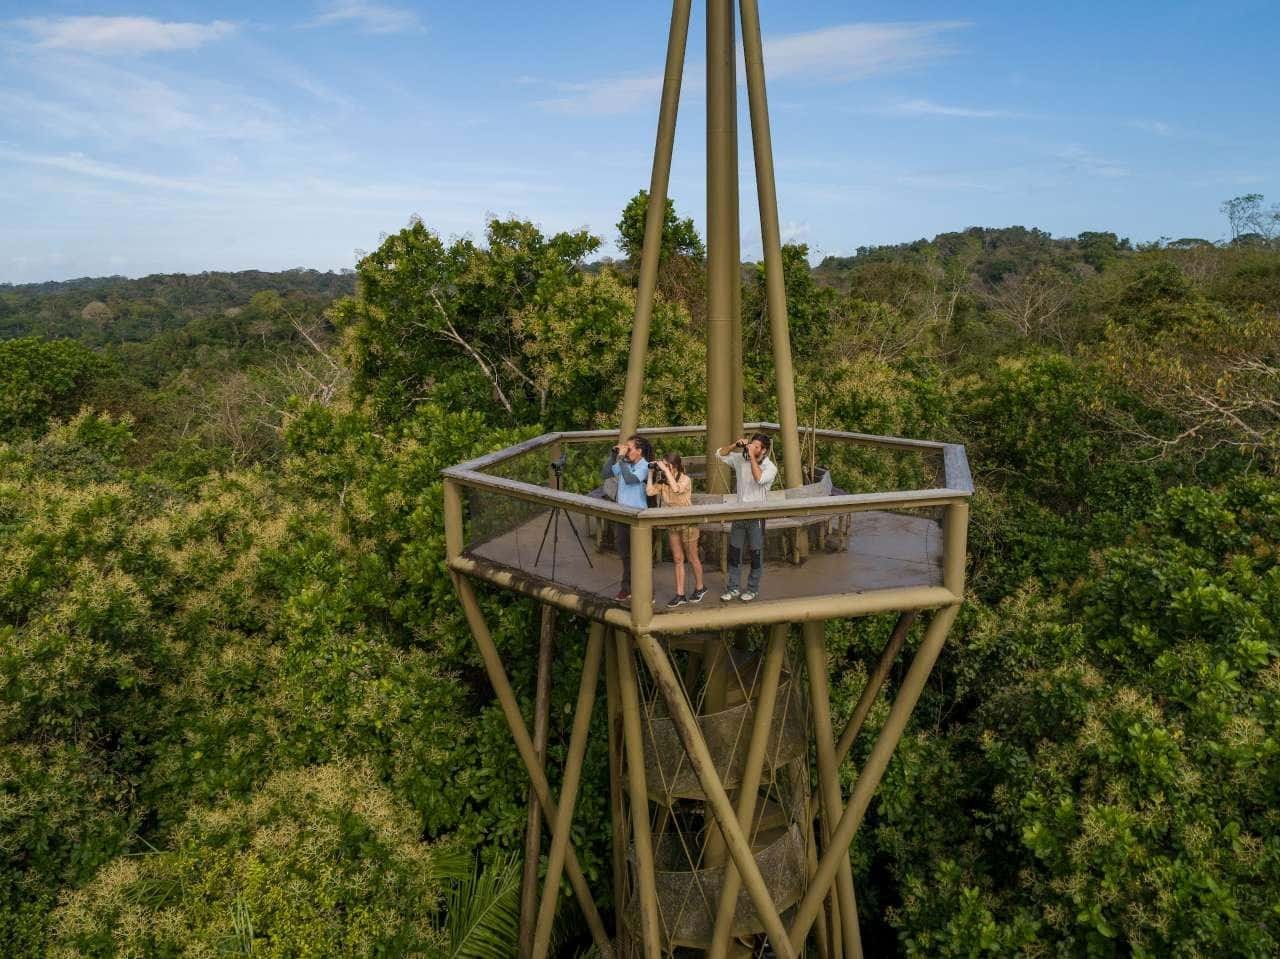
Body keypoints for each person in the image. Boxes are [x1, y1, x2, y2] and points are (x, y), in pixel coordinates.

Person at [715, 433, 778, 602]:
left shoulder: (770, 467)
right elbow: (719, 454)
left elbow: (759, 479)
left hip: (757, 517)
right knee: (735, 553)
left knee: (755, 555)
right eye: (751, 444)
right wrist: (735, 445)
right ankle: (733, 588)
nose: (751, 448)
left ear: (763, 450)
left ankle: (752, 589)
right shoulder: (740, 459)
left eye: (756, 447)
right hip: (739, 514)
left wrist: (751, 457)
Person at [646, 452, 706, 608]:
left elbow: (677, 489)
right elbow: (649, 492)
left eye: (666, 465)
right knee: (678, 559)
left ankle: (700, 587)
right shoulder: (663, 481)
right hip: (673, 523)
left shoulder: (685, 479)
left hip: (688, 523)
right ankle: (680, 594)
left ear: (674, 466)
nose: (663, 467)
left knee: (692, 557)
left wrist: (666, 471)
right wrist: (650, 473)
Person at [601, 435, 650, 600]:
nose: (627, 451)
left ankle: (647, 591)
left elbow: (630, 480)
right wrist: (613, 455)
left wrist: (621, 459)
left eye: (630, 448)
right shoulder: (625, 463)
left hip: (638, 517)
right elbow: (606, 473)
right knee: (625, 555)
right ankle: (627, 588)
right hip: (622, 515)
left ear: (639, 451)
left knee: (640, 556)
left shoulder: (645, 466)